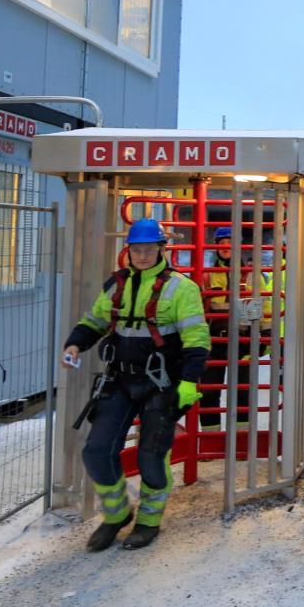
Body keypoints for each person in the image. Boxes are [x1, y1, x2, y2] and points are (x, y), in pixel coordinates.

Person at [61, 218, 210, 551]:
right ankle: (117, 515)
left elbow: (197, 338)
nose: (142, 255)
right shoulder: (115, 284)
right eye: (137, 249)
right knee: (97, 451)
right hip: (119, 380)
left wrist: (188, 381)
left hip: (162, 383)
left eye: (149, 249)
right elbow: (95, 321)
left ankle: (149, 521)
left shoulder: (181, 288)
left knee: (152, 457)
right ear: (129, 250)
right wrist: (75, 343)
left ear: (161, 248)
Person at [202, 226, 272, 426]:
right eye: (221, 243)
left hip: (242, 343)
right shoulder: (205, 276)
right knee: (208, 395)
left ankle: (241, 444)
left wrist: (264, 339)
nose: (225, 247)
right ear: (214, 247)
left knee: (242, 396)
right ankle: (209, 442)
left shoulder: (251, 275)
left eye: (229, 243)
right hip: (212, 344)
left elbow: (264, 306)